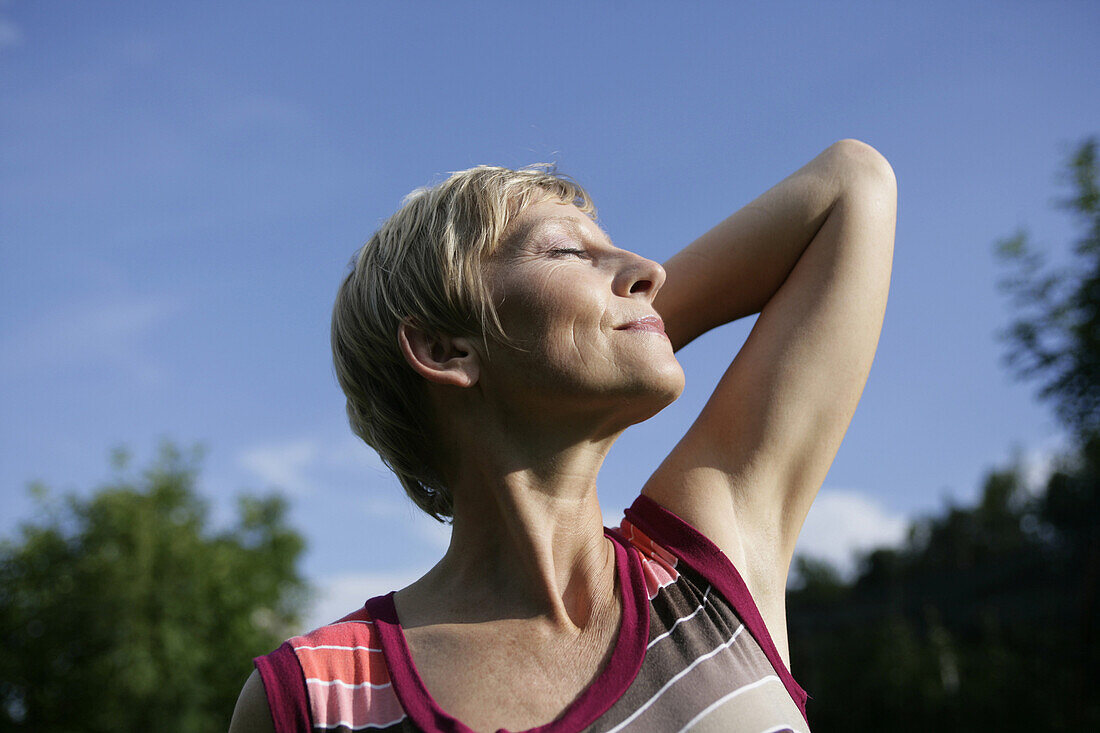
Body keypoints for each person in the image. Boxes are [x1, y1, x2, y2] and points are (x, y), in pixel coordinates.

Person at [229, 139, 897, 733]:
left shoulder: (709, 571)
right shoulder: (311, 700)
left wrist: (633, 328)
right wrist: (609, 333)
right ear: (442, 347)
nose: (651, 271)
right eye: (569, 250)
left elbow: (852, 183)